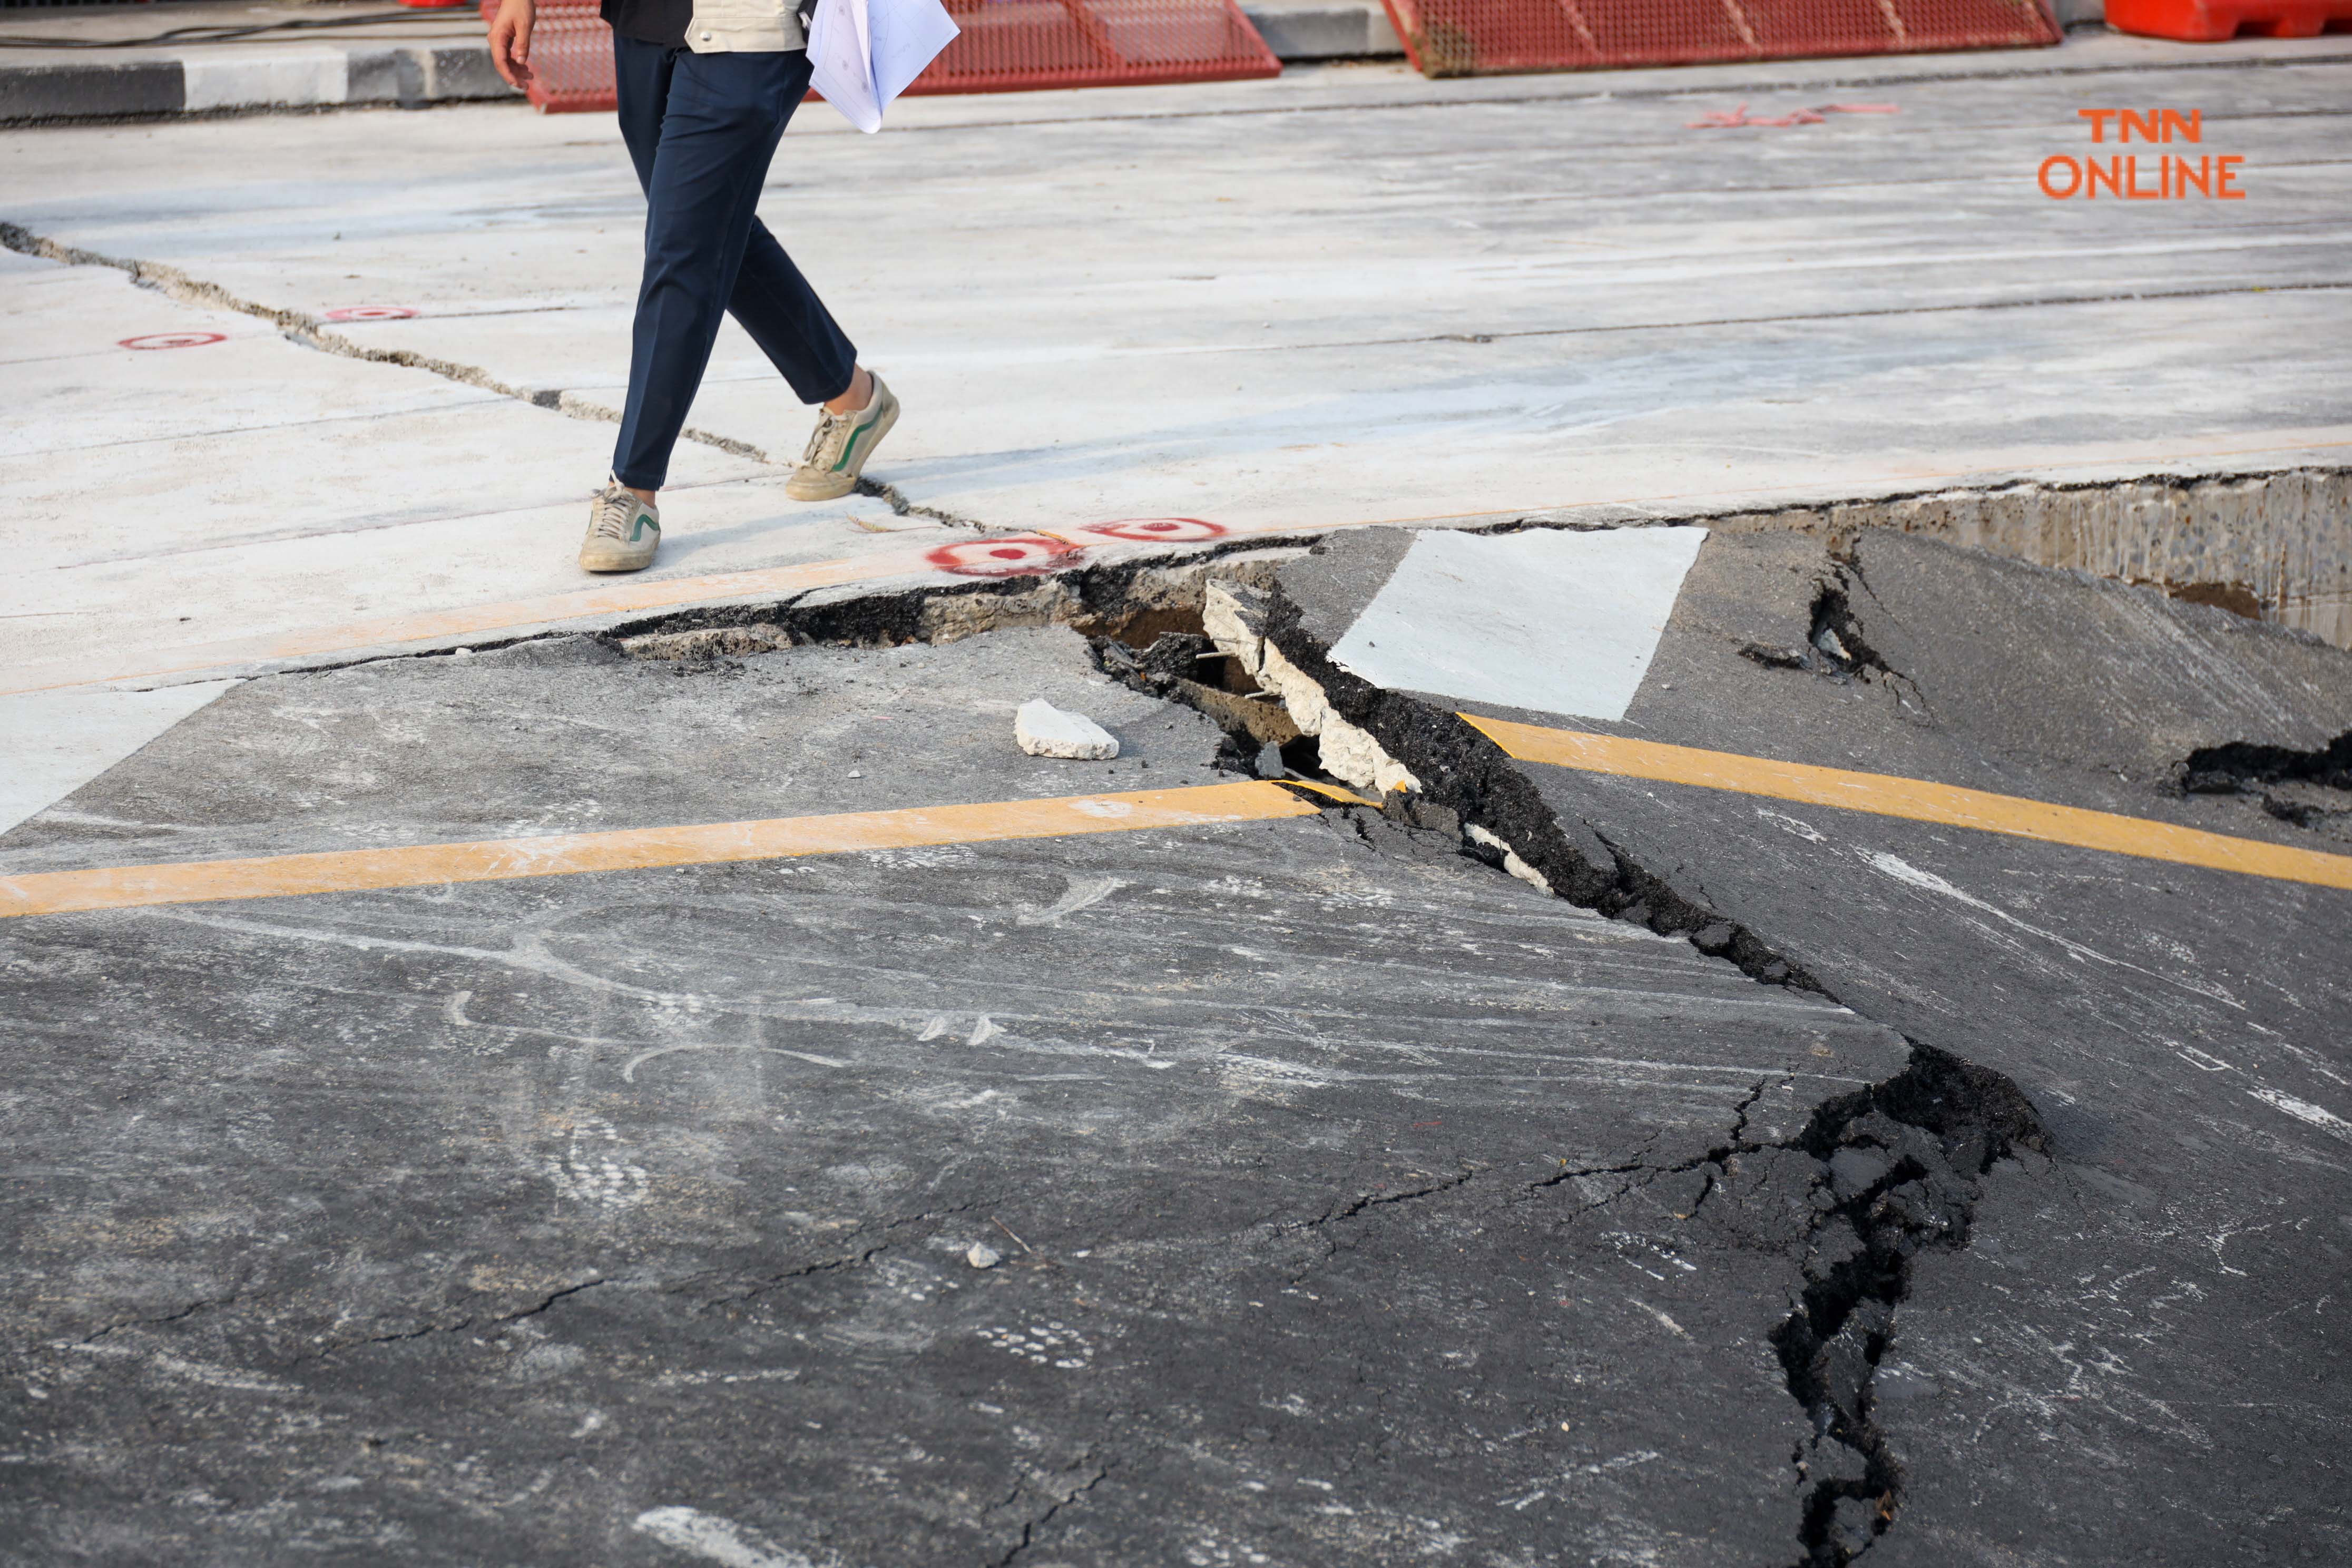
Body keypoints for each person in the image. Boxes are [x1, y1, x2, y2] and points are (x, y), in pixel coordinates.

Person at [487, 0, 900, 573]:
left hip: (749, 27)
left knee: (682, 250)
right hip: (645, 21)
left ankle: (632, 491)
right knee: (705, 229)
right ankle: (854, 397)